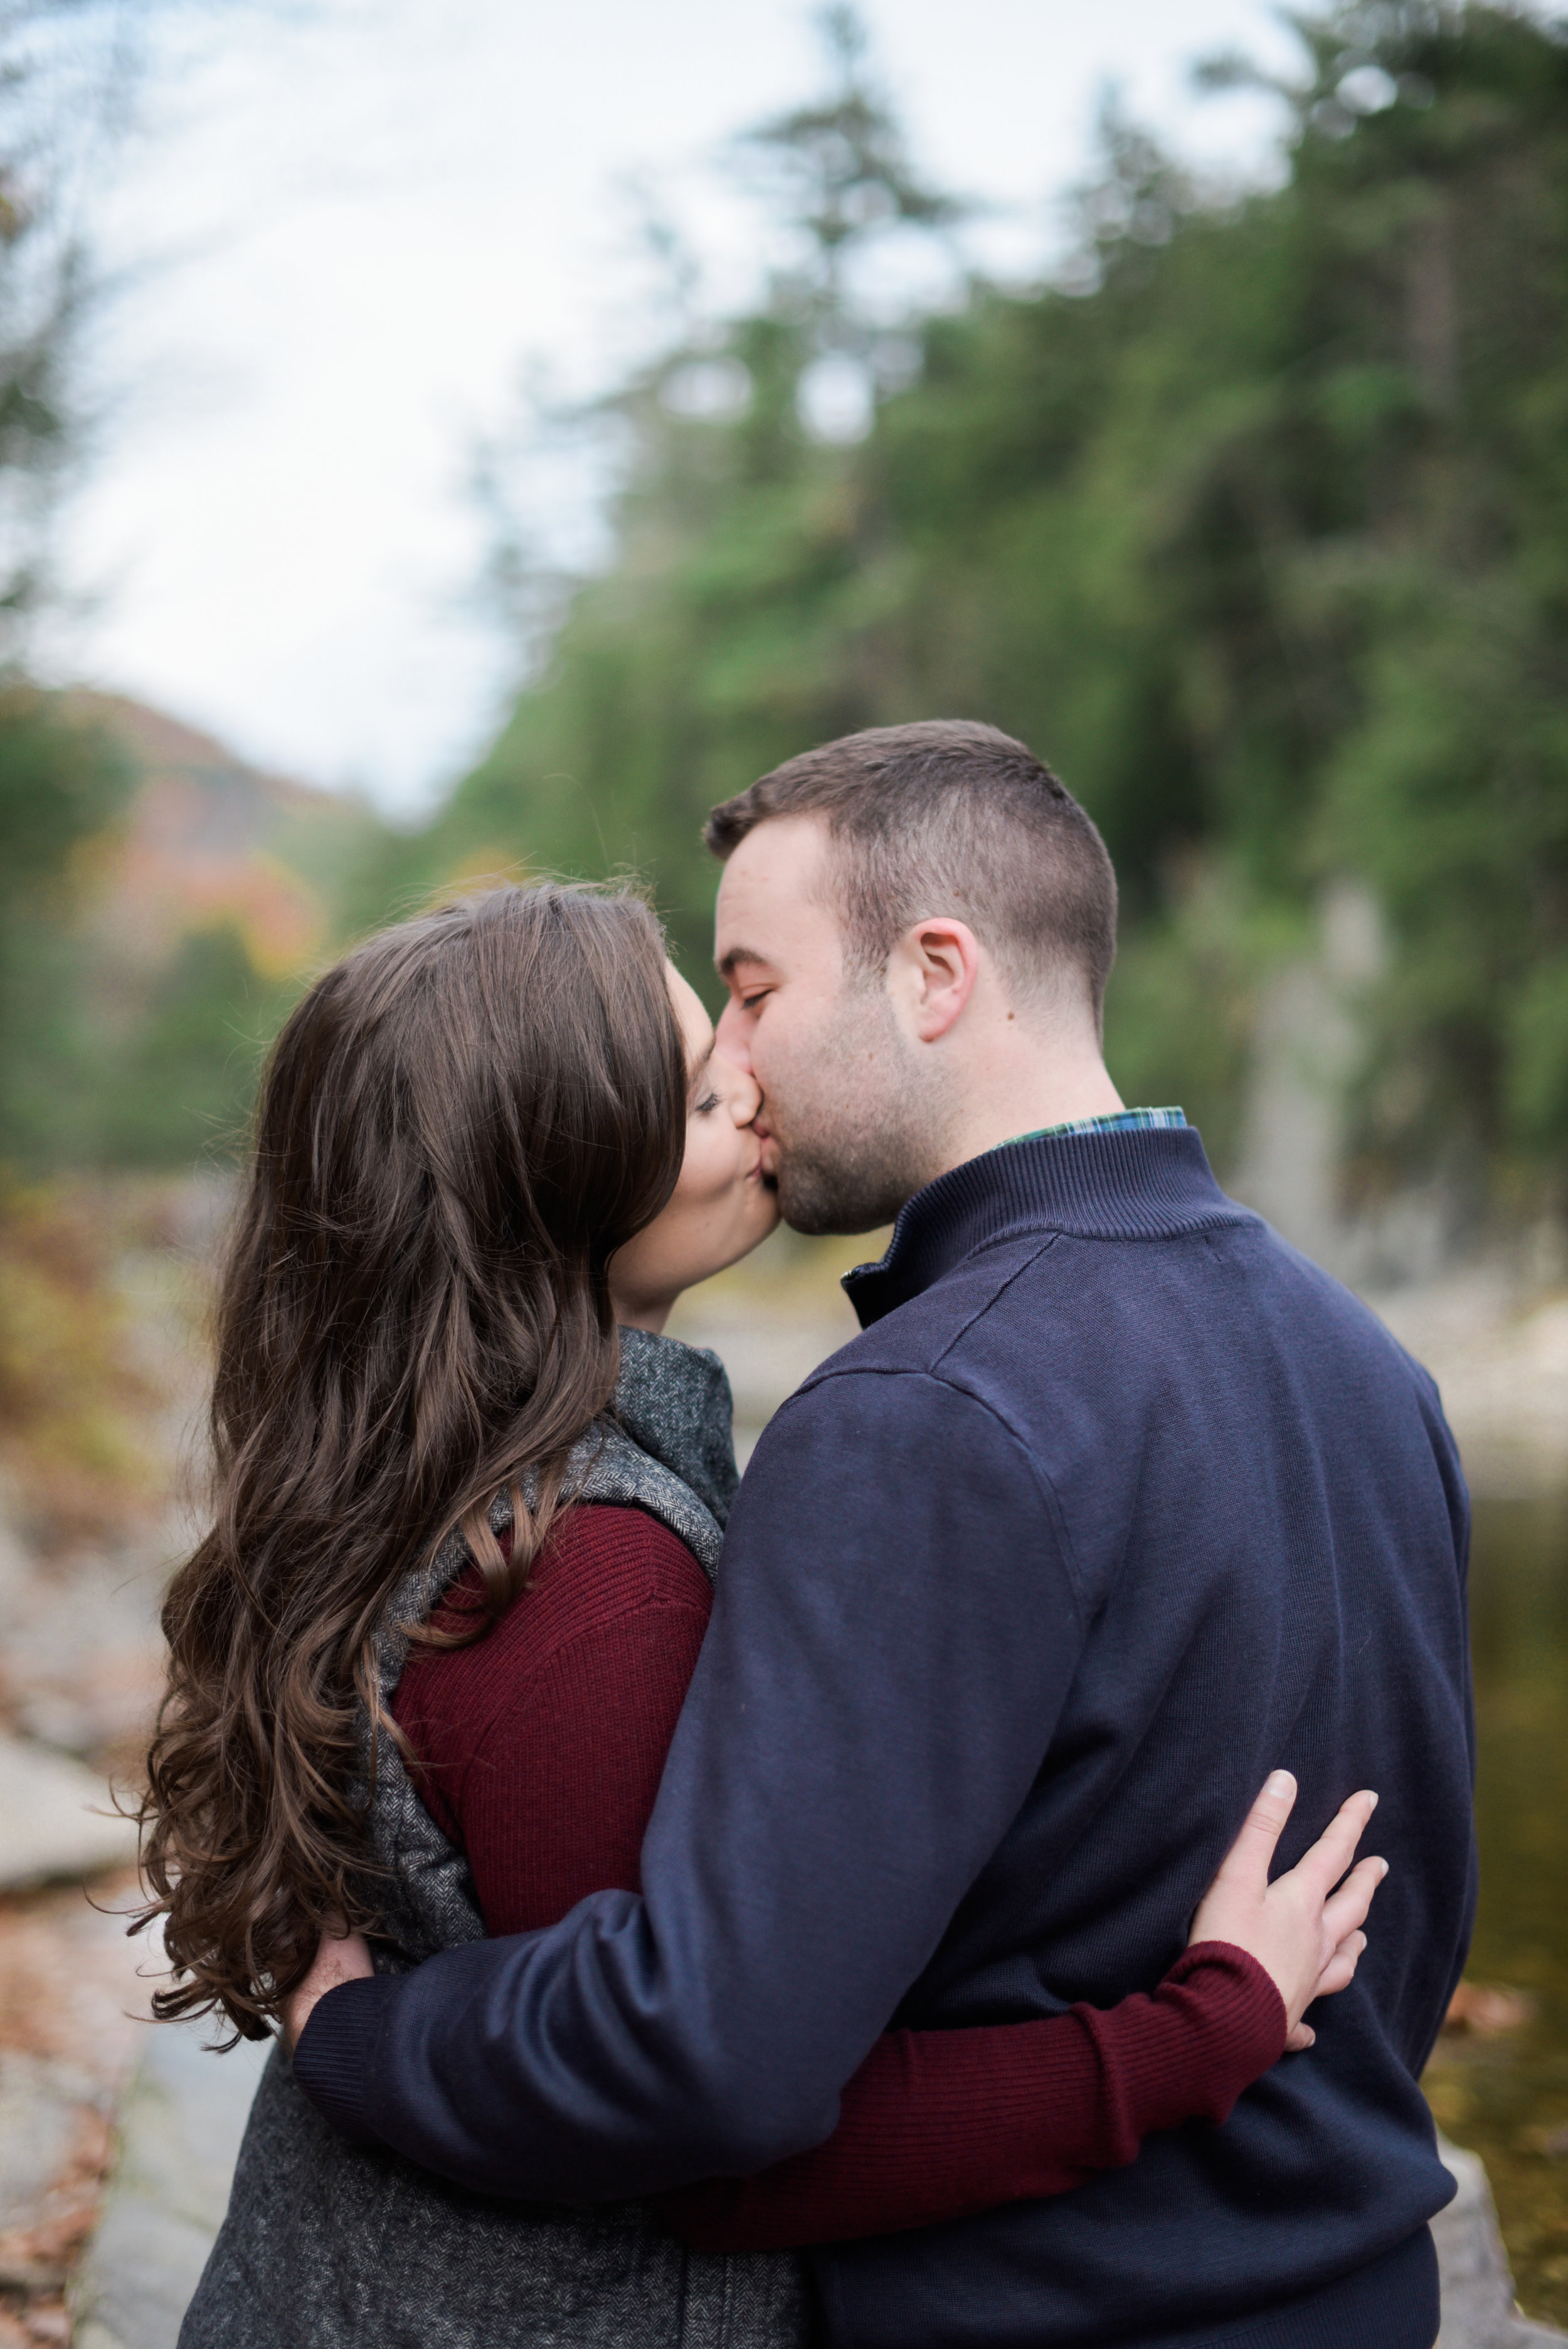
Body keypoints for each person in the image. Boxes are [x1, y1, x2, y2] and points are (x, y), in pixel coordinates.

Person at [288, 723, 1476, 2349]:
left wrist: (362, 2036)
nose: (737, 1065)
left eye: (755, 991)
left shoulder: (919, 1410)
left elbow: (711, 2056)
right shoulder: (1374, 1367)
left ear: (932, 976)